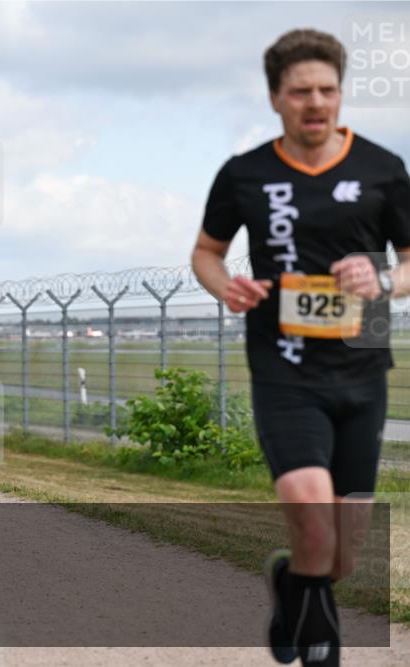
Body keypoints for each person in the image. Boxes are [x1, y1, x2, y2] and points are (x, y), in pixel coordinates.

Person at [191, 29, 410, 666]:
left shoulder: (382, 169)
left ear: (340, 94)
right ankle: (322, 644)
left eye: (328, 90)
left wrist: (385, 280)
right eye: (301, 92)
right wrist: (225, 286)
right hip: (284, 370)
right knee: (312, 513)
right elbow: (206, 253)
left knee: (340, 552)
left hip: (363, 370)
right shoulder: (246, 174)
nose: (316, 102)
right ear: (275, 98)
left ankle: (293, 581)